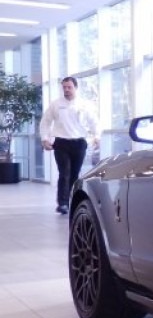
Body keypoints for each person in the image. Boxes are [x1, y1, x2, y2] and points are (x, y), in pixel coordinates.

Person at [39, 77, 99, 215]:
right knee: (64, 173)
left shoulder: (85, 105)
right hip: (61, 143)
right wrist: (44, 139)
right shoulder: (56, 104)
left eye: (69, 87)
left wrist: (97, 136)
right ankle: (62, 204)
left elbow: (94, 121)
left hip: (79, 142)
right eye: (64, 87)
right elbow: (45, 122)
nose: (66, 90)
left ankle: (72, 201)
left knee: (74, 174)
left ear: (75, 88)